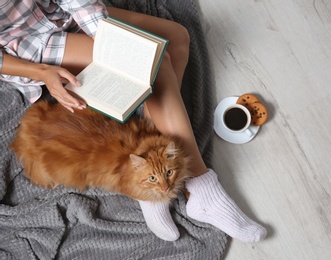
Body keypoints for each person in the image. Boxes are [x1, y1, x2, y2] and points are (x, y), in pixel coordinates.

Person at [0, 0, 266, 243]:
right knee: (154, 63)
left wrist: (107, 39)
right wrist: (41, 72)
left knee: (176, 38)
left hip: (59, 11)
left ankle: (148, 185)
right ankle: (202, 190)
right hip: (27, 43)